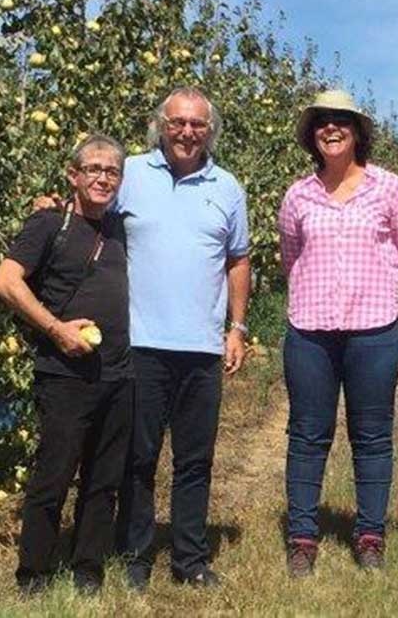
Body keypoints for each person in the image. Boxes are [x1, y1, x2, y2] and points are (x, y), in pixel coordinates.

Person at [113, 87, 251, 590]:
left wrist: (236, 328)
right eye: (178, 123)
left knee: (195, 459)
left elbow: (238, 259)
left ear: (209, 130)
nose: (187, 132)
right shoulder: (130, 173)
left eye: (197, 124)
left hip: (201, 347)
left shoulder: (228, 187)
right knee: (139, 457)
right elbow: (92, 217)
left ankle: (189, 559)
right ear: (161, 126)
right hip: (141, 342)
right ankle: (135, 555)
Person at [276, 89, 398, 576]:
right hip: (310, 330)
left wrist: (373, 290)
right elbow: (291, 257)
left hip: (374, 329)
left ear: (358, 131)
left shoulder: (392, 189)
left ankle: (370, 535)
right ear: (311, 134)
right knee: (307, 434)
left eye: (341, 121)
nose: (331, 129)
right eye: (322, 122)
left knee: (373, 435)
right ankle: (301, 537)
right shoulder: (298, 194)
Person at [0, 134, 133, 595]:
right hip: (64, 374)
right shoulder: (50, 224)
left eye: (112, 171)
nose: (102, 178)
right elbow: (5, 282)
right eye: (93, 169)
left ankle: (88, 569)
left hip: (118, 372)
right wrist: (56, 329)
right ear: (73, 175)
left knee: (103, 479)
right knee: (53, 476)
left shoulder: (120, 231)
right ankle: (33, 574)